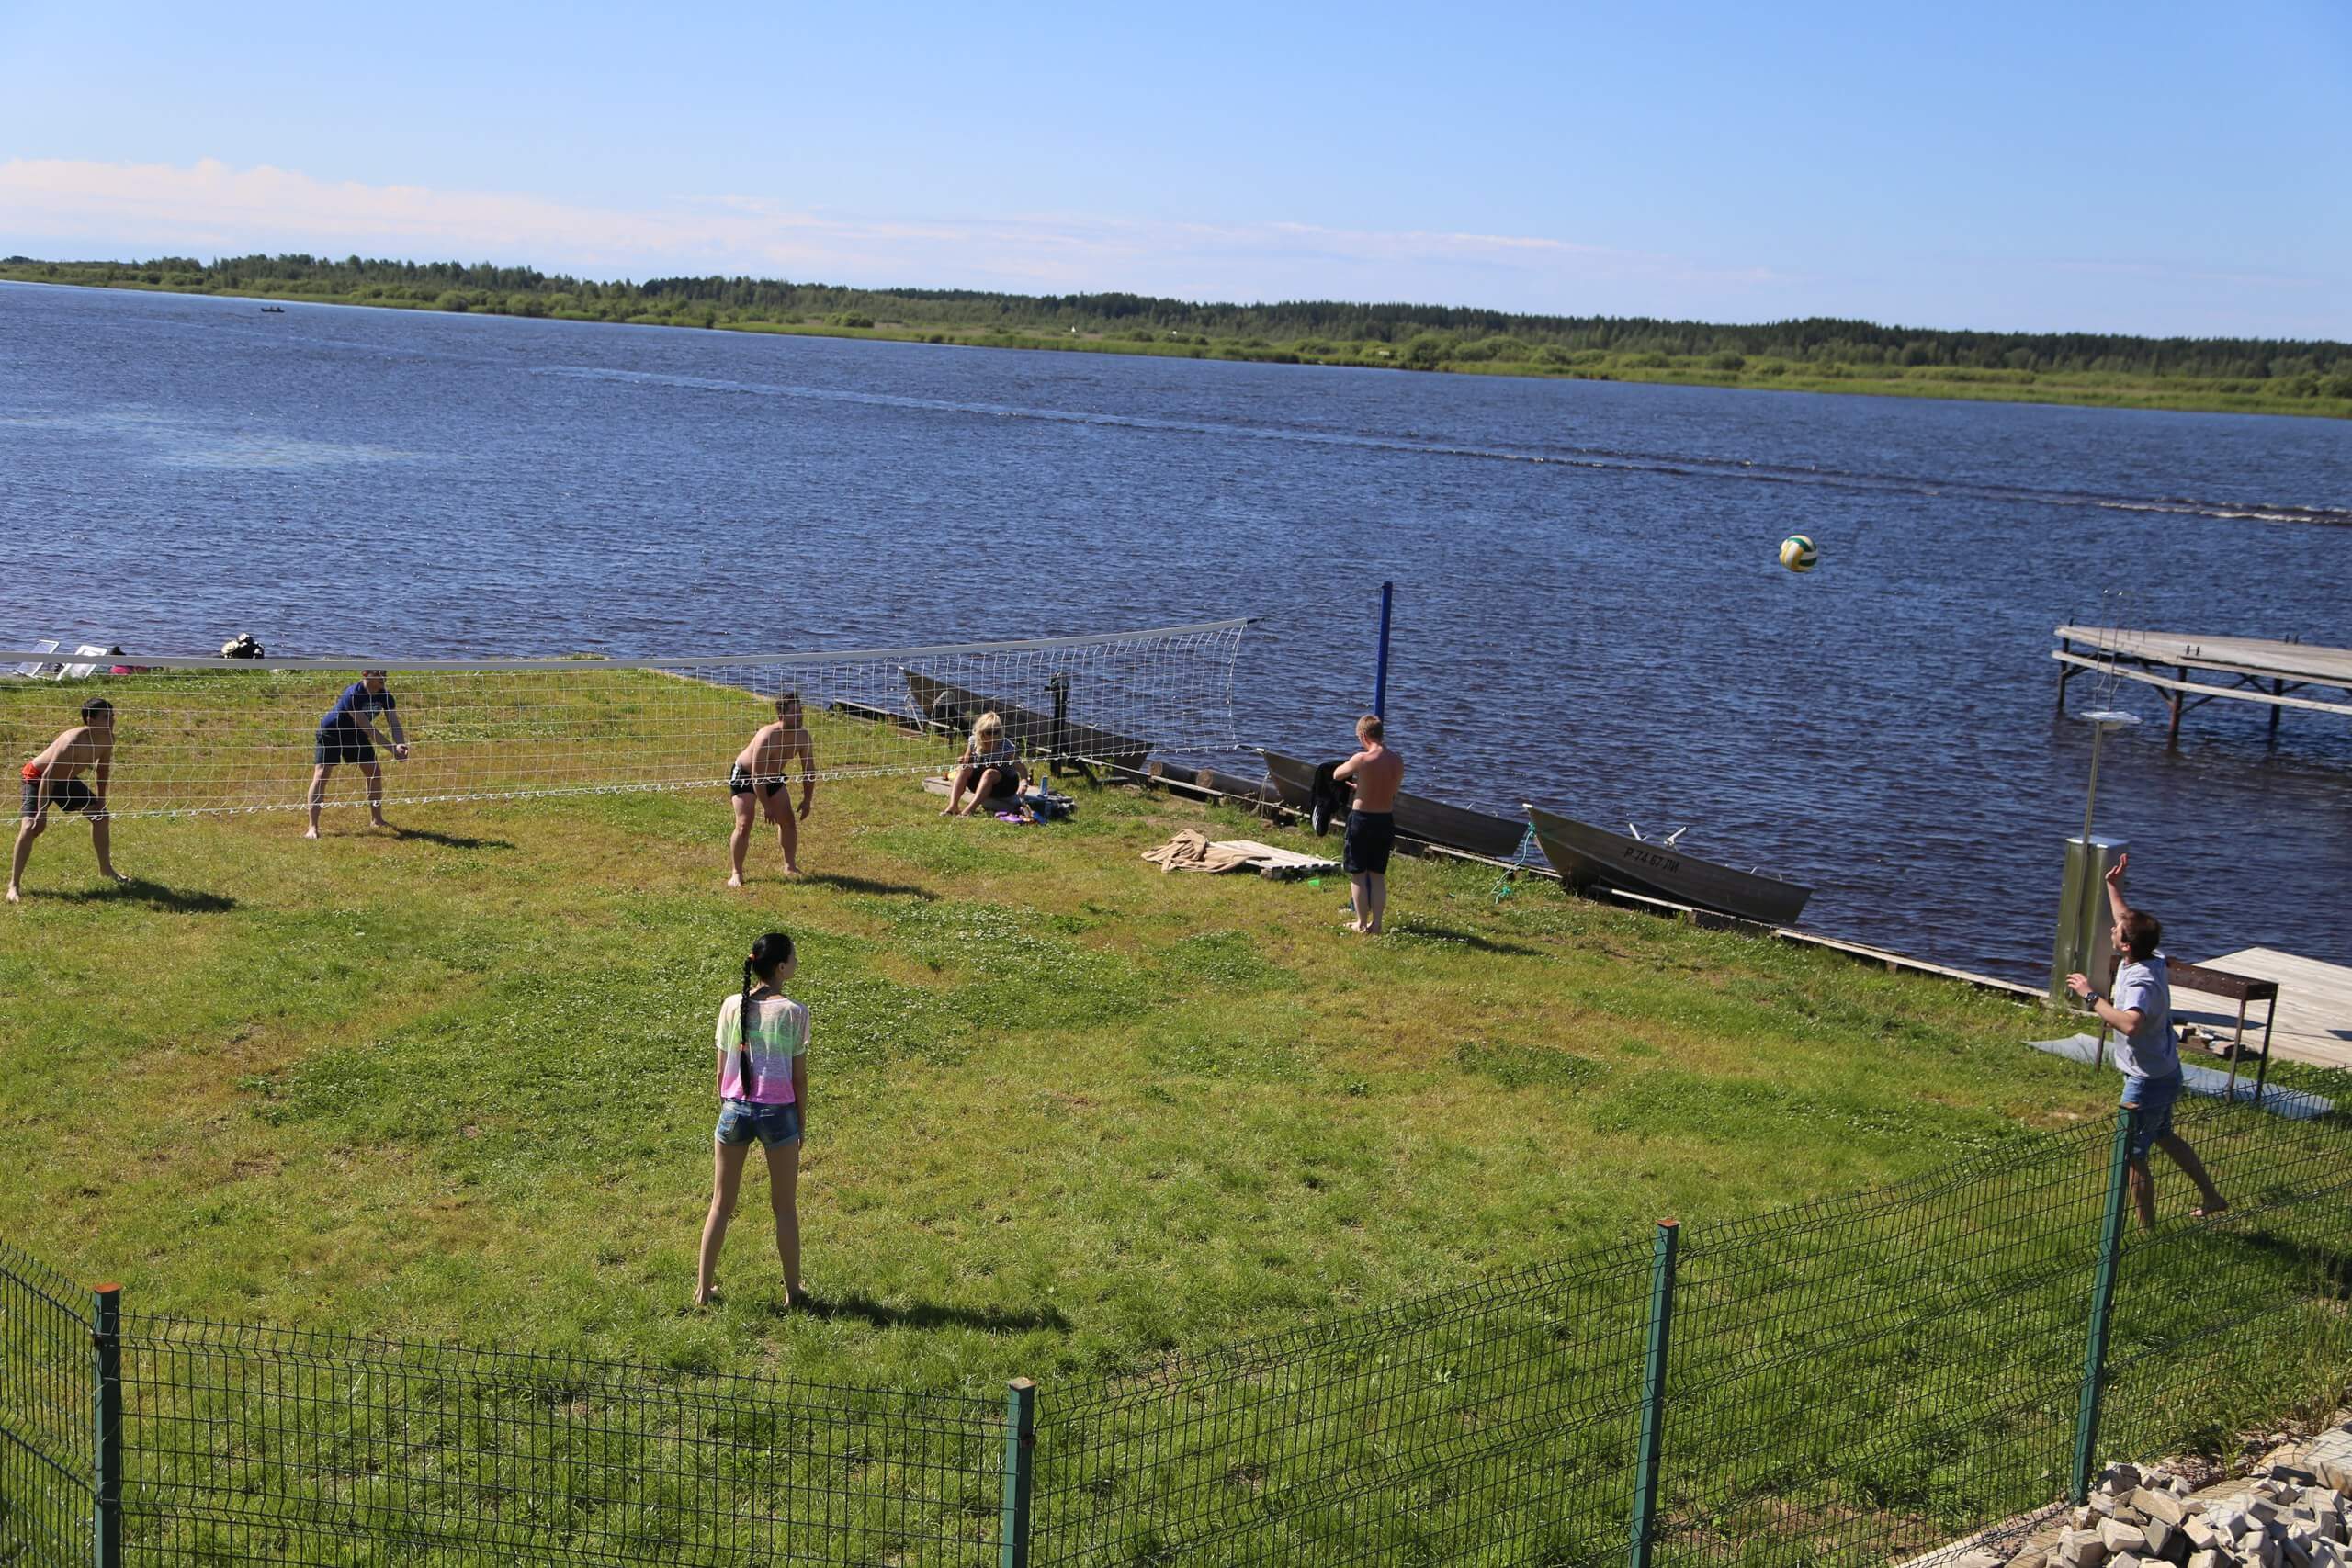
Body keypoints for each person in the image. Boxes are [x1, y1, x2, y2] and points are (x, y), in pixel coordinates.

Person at [2067, 853, 2228, 1230]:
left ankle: (2147, 1231)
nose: (2113, 929)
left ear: (2125, 946)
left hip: (2147, 1080)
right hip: (2164, 1070)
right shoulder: (2149, 956)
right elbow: (2125, 920)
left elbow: (2131, 1025)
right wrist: (2112, 884)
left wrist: (2092, 997)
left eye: (2118, 931)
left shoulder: (2140, 979)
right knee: (2164, 1136)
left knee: (2132, 1155)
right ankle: (2212, 1196)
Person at [696, 931, 810, 1308]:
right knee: (785, 1207)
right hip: (779, 1114)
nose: (796, 961)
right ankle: (793, 1292)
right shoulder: (794, 1012)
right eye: (793, 957)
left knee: (720, 1204)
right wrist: (801, 1123)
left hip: (734, 1109)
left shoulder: (732, 1005)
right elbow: (798, 1078)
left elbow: (719, 1071)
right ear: (781, 967)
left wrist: (730, 1104)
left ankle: (703, 1290)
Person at [9, 698, 129, 904]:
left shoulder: (108, 738)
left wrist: (101, 800)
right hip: (38, 777)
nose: (112, 721)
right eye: (106, 717)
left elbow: (103, 769)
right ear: (90, 720)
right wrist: (41, 814)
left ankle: (106, 870)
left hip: (65, 779)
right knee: (30, 827)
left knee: (101, 817)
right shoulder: (72, 742)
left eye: (113, 716)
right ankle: (13, 886)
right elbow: (48, 776)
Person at [304, 670, 409, 838]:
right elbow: (367, 727)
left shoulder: (385, 696)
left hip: (356, 734)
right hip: (332, 732)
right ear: (366, 674)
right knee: (322, 774)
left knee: (374, 772)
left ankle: (377, 820)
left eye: (385, 672)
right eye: (379, 673)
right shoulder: (353, 694)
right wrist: (391, 750)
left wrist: (401, 744)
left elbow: (394, 723)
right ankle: (312, 828)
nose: (384, 676)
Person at [728, 692, 817, 885]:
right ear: (781, 716)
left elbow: (809, 770)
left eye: (801, 711)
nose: (800, 715)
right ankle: (737, 873)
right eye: (795, 712)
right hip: (746, 775)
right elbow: (756, 776)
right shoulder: (767, 736)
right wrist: (766, 806)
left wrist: (808, 799)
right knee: (744, 824)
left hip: (772, 775)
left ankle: (790, 866)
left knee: (788, 821)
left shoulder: (802, 736)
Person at [1332, 714, 1403, 934]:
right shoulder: (1397, 760)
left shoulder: (1362, 759)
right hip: (1385, 819)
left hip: (1362, 820)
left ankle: (1361, 923)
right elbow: (1391, 790)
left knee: (1359, 874)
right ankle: (1378, 924)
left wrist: (1358, 781)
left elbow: (1337, 774)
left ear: (1363, 736)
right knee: (1377, 875)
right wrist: (1362, 787)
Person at [942, 710, 1023, 818]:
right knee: (964, 769)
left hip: (1005, 785)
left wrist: (1024, 782)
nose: (993, 736)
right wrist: (964, 760)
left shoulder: (1006, 746)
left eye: (996, 732)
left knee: (990, 772)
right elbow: (968, 759)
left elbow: (1022, 769)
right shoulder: (973, 742)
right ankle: (953, 807)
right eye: (989, 732)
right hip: (982, 781)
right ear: (981, 732)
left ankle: (969, 810)